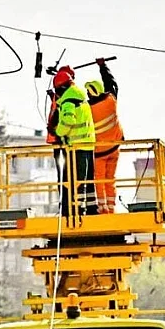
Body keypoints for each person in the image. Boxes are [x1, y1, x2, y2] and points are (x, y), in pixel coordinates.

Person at [49, 66, 98, 217]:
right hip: (88, 144)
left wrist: (58, 132)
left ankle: (76, 211)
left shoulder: (68, 101)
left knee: (75, 182)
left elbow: (69, 120)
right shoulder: (80, 97)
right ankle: (89, 209)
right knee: (85, 180)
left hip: (76, 147)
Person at [85, 59, 123, 214]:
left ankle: (103, 209)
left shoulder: (89, 108)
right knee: (110, 179)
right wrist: (103, 67)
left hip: (100, 152)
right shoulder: (111, 100)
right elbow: (112, 84)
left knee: (99, 181)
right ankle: (111, 208)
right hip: (115, 148)